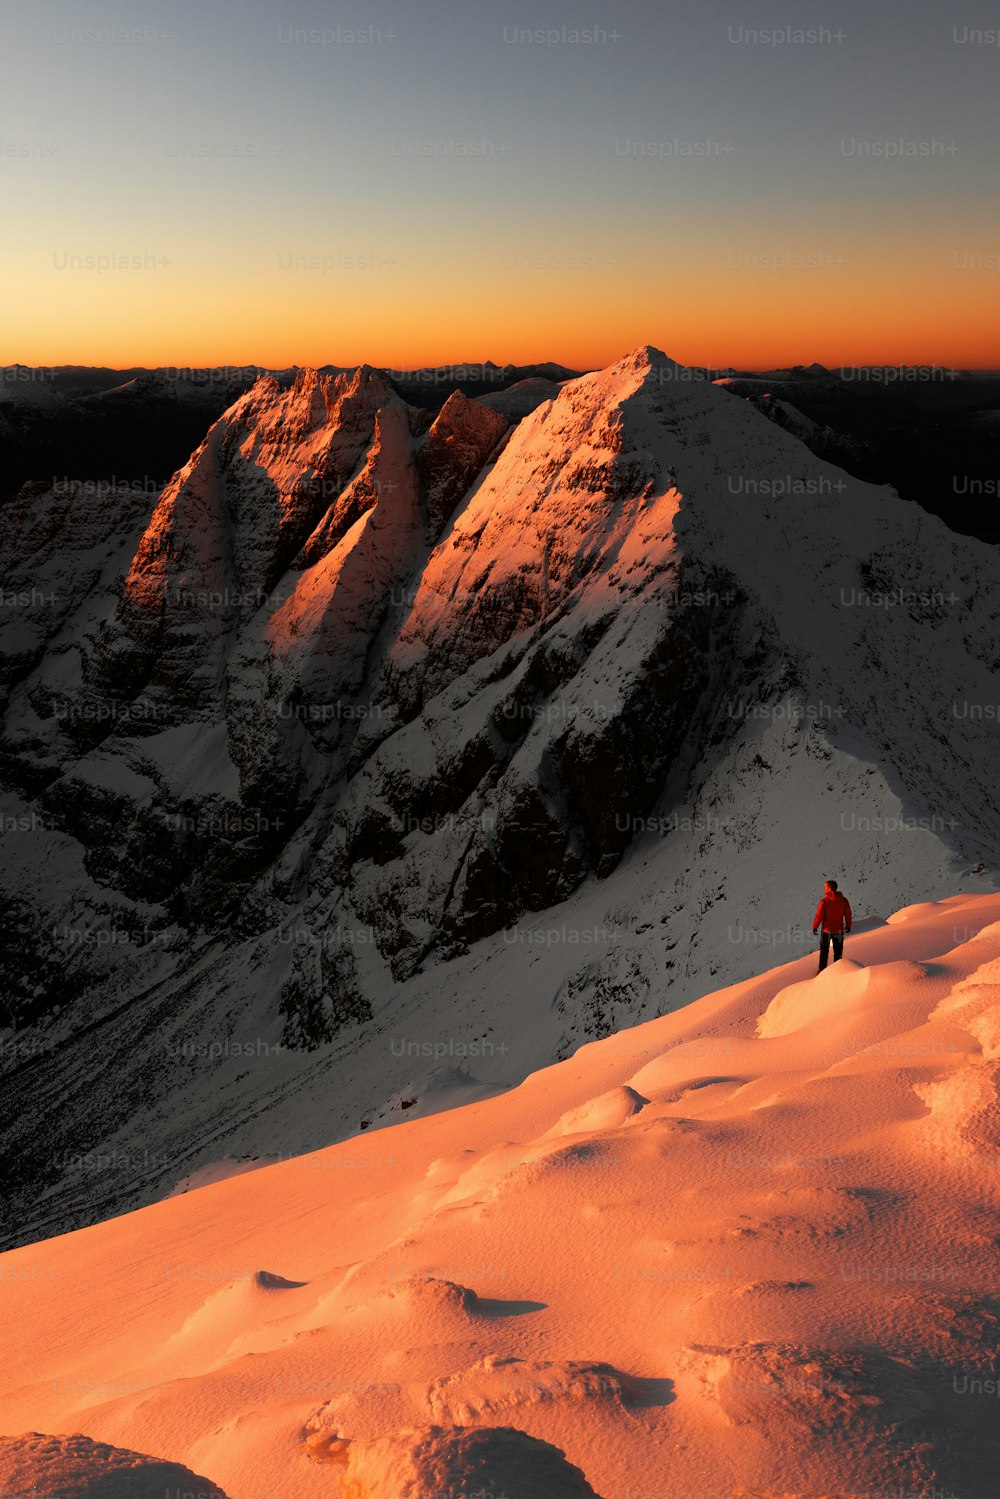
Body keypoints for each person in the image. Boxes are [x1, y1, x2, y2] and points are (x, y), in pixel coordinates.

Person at [812, 878, 852, 972]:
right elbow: (848, 914)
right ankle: (837, 971)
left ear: (830, 888)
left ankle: (822, 971)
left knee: (824, 952)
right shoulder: (844, 901)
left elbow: (819, 916)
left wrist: (815, 926)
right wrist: (849, 925)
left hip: (826, 931)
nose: (824, 888)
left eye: (825, 887)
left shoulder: (824, 902)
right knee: (838, 952)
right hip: (839, 931)